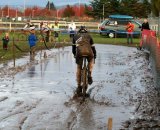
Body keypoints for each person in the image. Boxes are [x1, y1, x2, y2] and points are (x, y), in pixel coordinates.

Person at [72, 26, 96, 96]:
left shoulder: (75, 36)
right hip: (89, 52)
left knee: (79, 67)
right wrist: (95, 55)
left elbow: (73, 48)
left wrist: (74, 54)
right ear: (86, 31)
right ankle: (89, 74)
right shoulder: (89, 35)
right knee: (91, 61)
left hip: (79, 53)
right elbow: (93, 47)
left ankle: (79, 85)